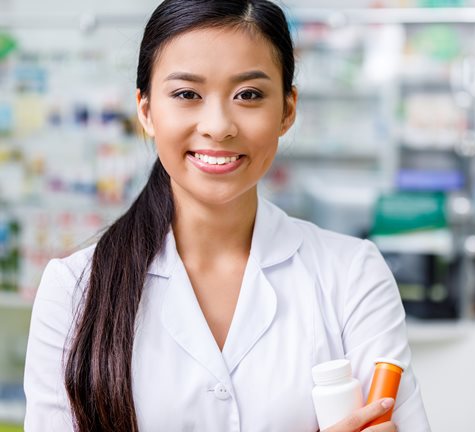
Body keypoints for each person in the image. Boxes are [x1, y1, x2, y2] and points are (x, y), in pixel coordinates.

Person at [23, 0, 431, 431]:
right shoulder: (74, 290)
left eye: (248, 95)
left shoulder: (353, 276)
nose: (218, 126)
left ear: (287, 110)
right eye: (186, 94)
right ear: (145, 110)